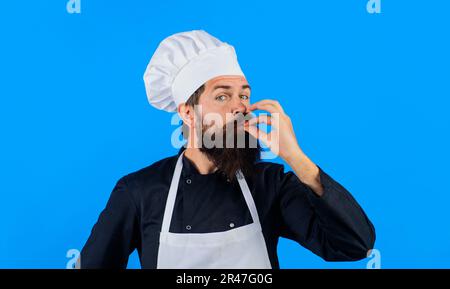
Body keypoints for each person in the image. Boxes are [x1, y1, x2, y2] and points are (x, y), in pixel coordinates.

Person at [79, 30, 375, 269]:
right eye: (222, 96)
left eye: (244, 95)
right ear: (187, 113)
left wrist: (296, 158)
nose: (240, 107)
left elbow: (353, 246)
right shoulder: (140, 192)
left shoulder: (269, 185)